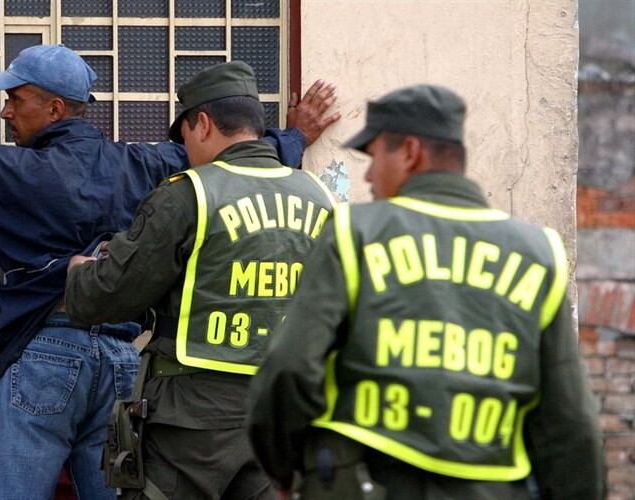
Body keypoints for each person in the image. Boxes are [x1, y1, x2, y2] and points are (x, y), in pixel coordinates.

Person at [0, 44, 339, 499]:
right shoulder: (148, 166)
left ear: (54, 109)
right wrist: (294, 139)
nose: (5, 111)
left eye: (15, 98)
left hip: (42, 356)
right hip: (123, 364)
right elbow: (232, 162)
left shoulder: (6, 173)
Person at [247, 84, 606, 500]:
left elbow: (289, 367)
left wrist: (288, 470)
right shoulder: (538, 252)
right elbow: (571, 421)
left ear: (410, 152)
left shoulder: (355, 232)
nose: (368, 175)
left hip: (363, 482)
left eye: (374, 157)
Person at [65, 61, 339, 499]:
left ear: (204, 124)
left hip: (190, 428)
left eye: (186, 136)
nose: (187, 150)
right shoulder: (320, 197)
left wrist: (80, 275)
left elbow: (107, 297)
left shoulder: (188, 194)